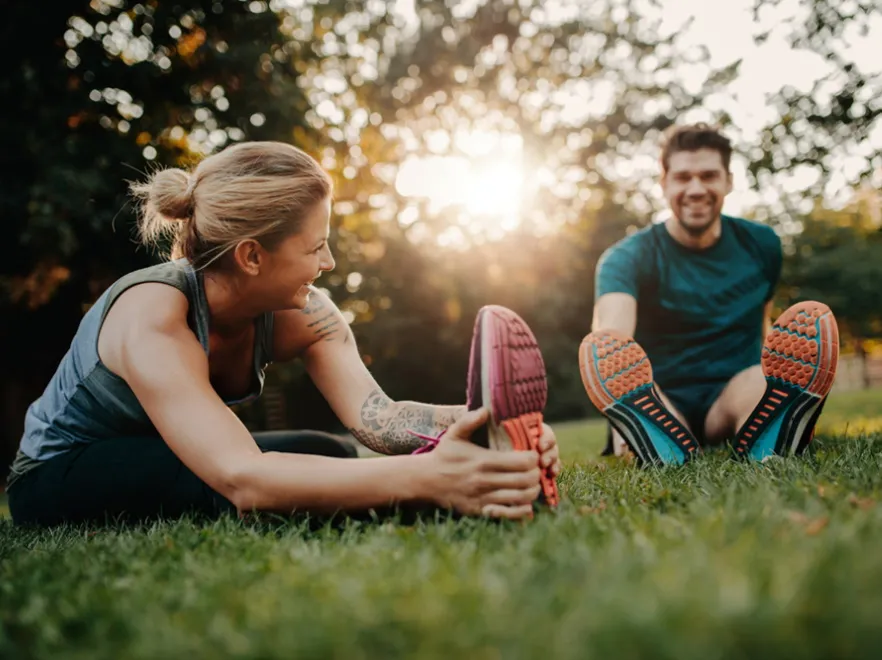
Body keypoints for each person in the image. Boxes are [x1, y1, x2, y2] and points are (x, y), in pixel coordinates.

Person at [6, 140, 560, 527]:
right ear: (252, 256)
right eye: (315, 246)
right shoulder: (154, 314)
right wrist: (429, 480)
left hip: (165, 454)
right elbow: (244, 477)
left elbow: (381, 420)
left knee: (331, 454)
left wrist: (489, 427)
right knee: (238, 489)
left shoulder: (305, 313)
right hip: (64, 470)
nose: (330, 261)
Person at [579, 123, 839, 465]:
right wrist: (614, 407)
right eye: (683, 177)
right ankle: (645, 431)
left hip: (732, 393)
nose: (696, 188)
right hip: (662, 395)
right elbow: (611, 340)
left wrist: (774, 373)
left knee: (761, 382)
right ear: (665, 184)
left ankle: (774, 429)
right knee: (645, 396)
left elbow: (762, 322)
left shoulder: (762, 245)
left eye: (708, 176)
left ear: (728, 181)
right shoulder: (627, 257)